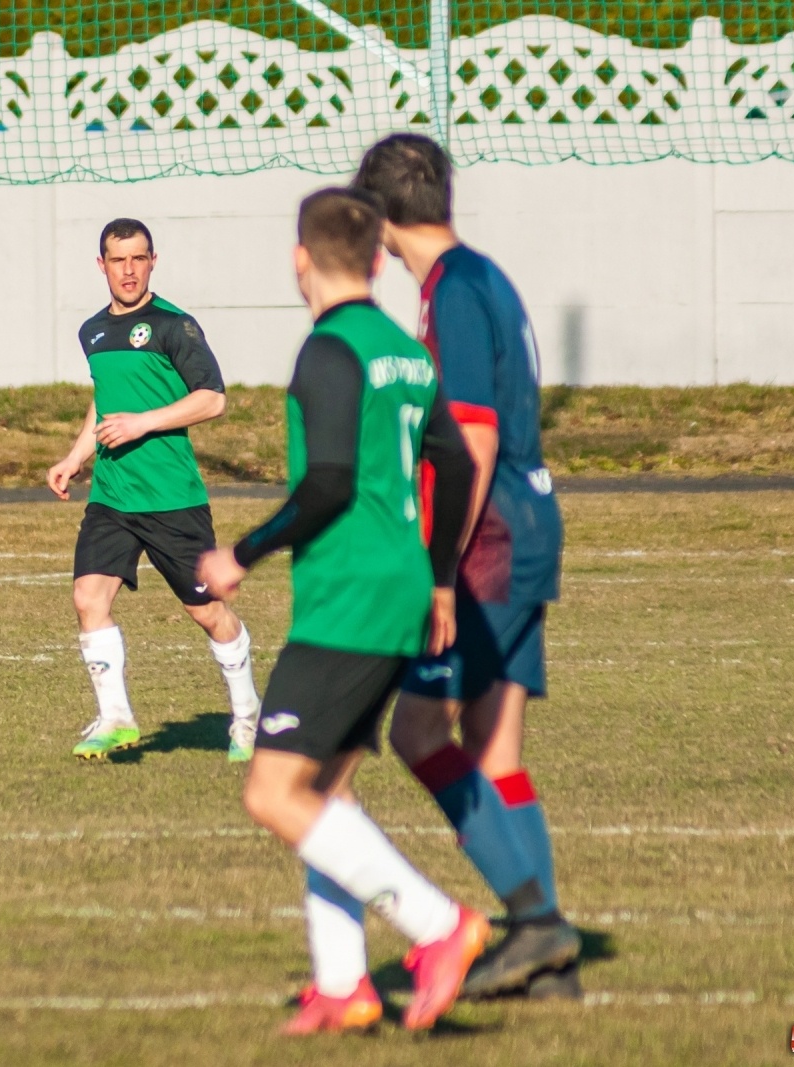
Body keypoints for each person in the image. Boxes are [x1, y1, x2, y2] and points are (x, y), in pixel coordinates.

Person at [196, 188, 484, 1034]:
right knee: (328, 793)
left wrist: (239, 554)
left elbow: (325, 485)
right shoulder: (405, 350)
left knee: (274, 792)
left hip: (348, 602)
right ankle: (344, 984)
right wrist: (438, 580)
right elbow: (460, 467)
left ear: (301, 260)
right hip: (399, 592)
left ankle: (439, 927)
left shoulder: (330, 351)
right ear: (372, 260)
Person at [353, 134, 582, 999]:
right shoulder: (483, 274)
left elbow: (473, 439)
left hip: (488, 540)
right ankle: (547, 955)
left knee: (418, 733)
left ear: (379, 219)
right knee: (494, 750)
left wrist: (438, 570)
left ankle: (535, 920)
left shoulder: (449, 291)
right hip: (529, 522)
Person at [48, 219, 261, 762]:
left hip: (171, 498)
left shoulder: (174, 326)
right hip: (113, 496)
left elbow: (212, 398)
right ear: (101, 265)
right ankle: (116, 717)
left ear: (152, 261)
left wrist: (144, 423)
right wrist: (76, 456)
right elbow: (106, 398)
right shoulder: (92, 332)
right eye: (118, 260)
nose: (128, 270)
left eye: (138, 258)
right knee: (87, 597)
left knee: (208, 612)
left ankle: (247, 716)